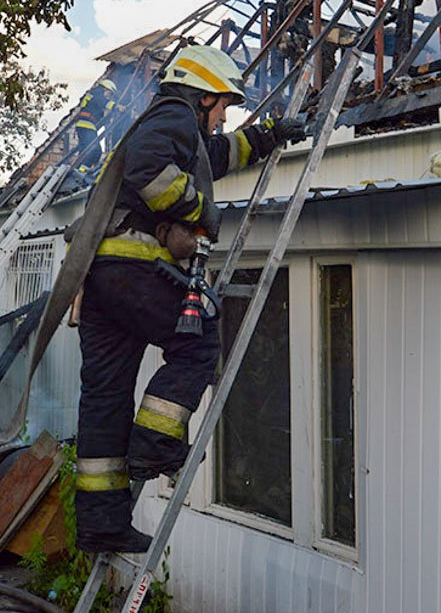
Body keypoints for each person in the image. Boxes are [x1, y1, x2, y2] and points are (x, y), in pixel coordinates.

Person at [73, 44, 305, 553]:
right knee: (197, 344)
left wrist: (268, 137)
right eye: (222, 105)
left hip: (101, 281)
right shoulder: (173, 117)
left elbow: (216, 157)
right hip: (133, 269)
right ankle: (154, 447)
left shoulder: (179, 128)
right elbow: (148, 169)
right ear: (201, 96)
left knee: (105, 397)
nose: (224, 117)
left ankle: (101, 523)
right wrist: (203, 213)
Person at [74, 76, 119, 172]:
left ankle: (79, 168)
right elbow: (104, 102)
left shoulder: (93, 94)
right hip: (87, 125)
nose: (108, 96)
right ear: (105, 88)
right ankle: (82, 170)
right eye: (109, 93)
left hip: (84, 125)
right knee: (95, 150)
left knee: (85, 150)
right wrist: (117, 107)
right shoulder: (97, 94)